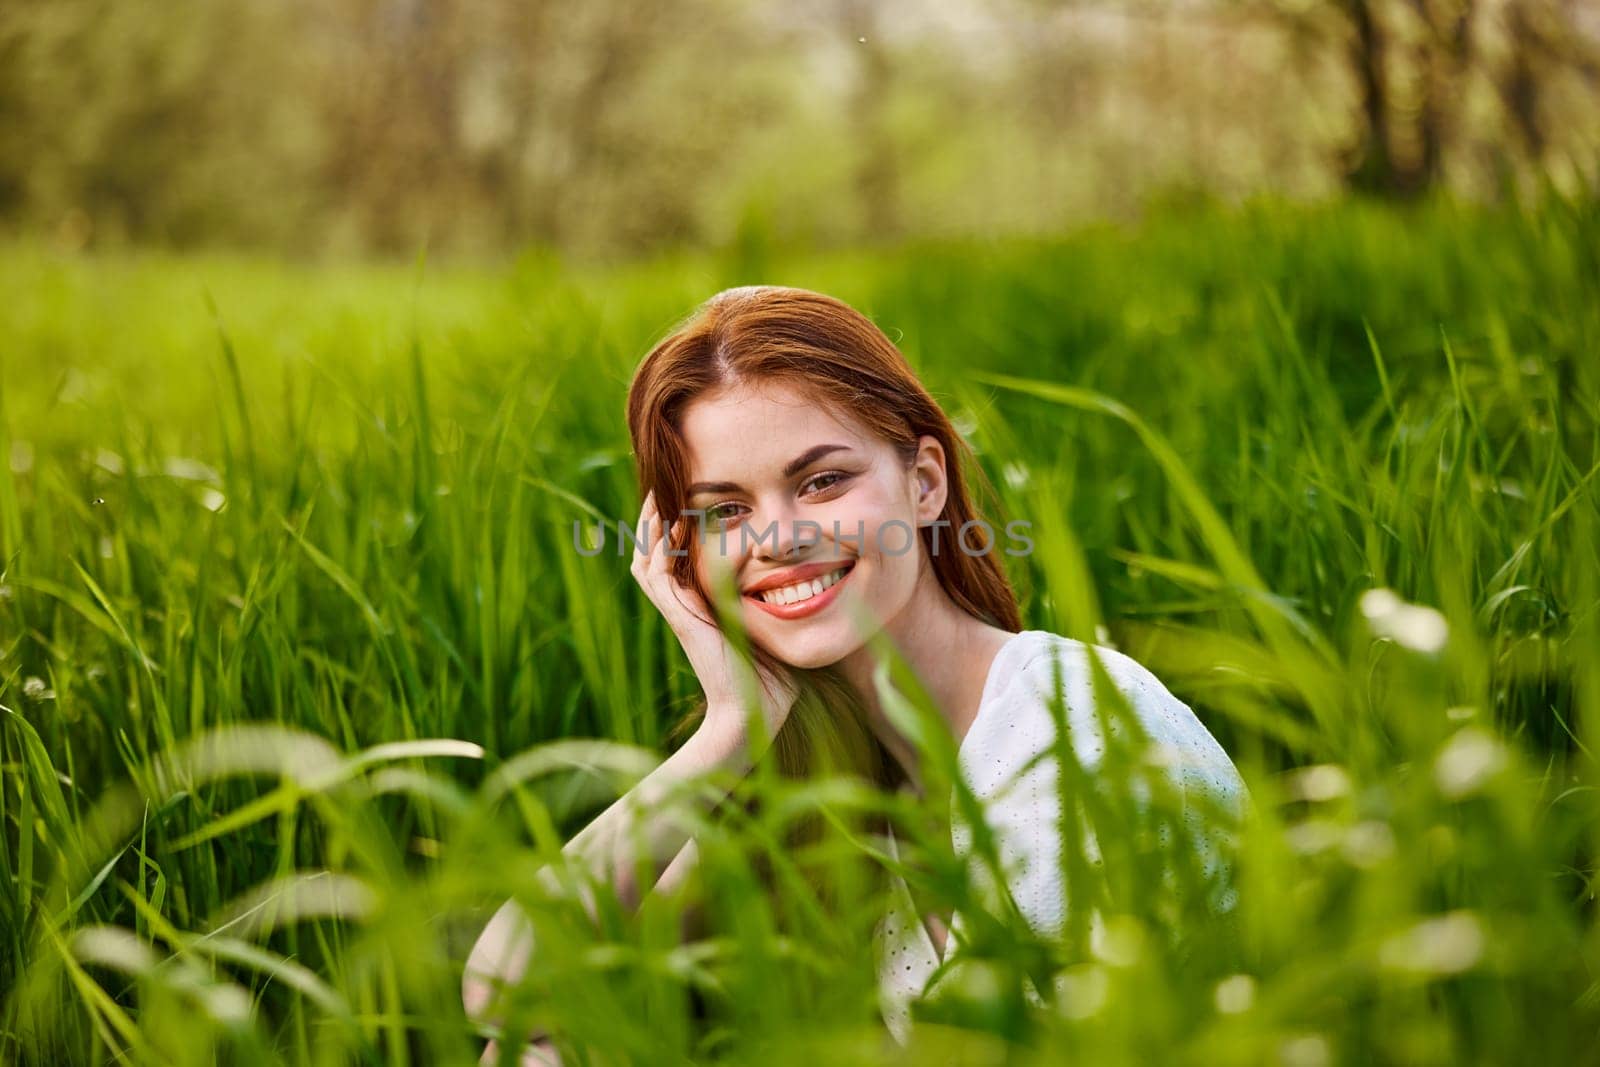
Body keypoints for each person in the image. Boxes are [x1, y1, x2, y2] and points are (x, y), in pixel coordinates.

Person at [462, 285, 1248, 1062]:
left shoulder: (1070, 731)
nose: (777, 537)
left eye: (822, 481)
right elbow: (506, 995)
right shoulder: (818, 768)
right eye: (723, 511)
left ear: (927, 481)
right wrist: (732, 726)